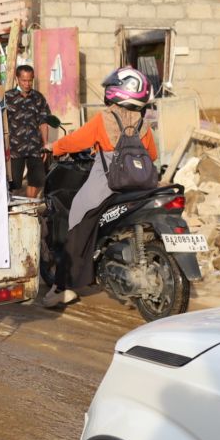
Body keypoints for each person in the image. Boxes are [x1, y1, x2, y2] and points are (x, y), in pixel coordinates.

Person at [43, 67, 158, 307]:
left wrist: (54, 147)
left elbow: (76, 141)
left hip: (108, 184)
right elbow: (153, 155)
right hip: (141, 187)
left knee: (78, 217)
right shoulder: (143, 124)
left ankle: (62, 288)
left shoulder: (104, 119)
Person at [4, 65, 52, 198]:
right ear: (17, 79)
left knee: (36, 180)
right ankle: (12, 207)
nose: (27, 84)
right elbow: (1, 123)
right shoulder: (7, 98)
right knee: (13, 182)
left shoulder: (38, 98)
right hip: (14, 148)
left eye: (30, 80)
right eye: (24, 80)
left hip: (35, 146)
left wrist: (45, 144)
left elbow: (43, 122)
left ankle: (30, 205)